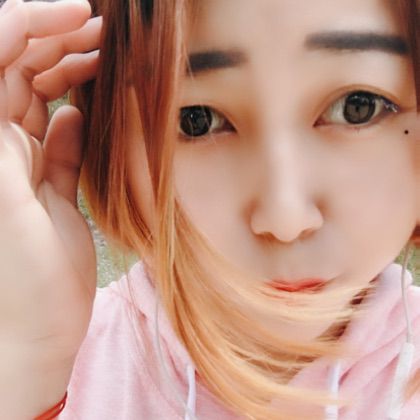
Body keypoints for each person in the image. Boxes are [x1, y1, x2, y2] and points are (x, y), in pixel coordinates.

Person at [0, 0, 419, 418]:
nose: (285, 219)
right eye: (196, 120)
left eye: (357, 107)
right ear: (107, 144)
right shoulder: (52, 361)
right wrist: (28, 372)